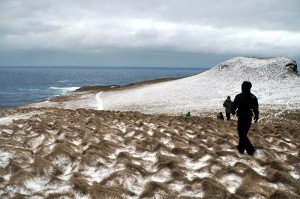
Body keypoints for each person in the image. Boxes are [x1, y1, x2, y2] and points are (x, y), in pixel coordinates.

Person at [232, 81, 259, 156]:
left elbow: (234, 105)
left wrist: (233, 111)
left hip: (242, 117)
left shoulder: (239, 96)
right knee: (243, 133)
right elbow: (255, 108)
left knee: (241, 133)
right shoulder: (253, 97)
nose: (241, 87)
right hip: (249, 117)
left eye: (242, 86)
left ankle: (251, 151)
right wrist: (256, 116)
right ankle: (241, 148)